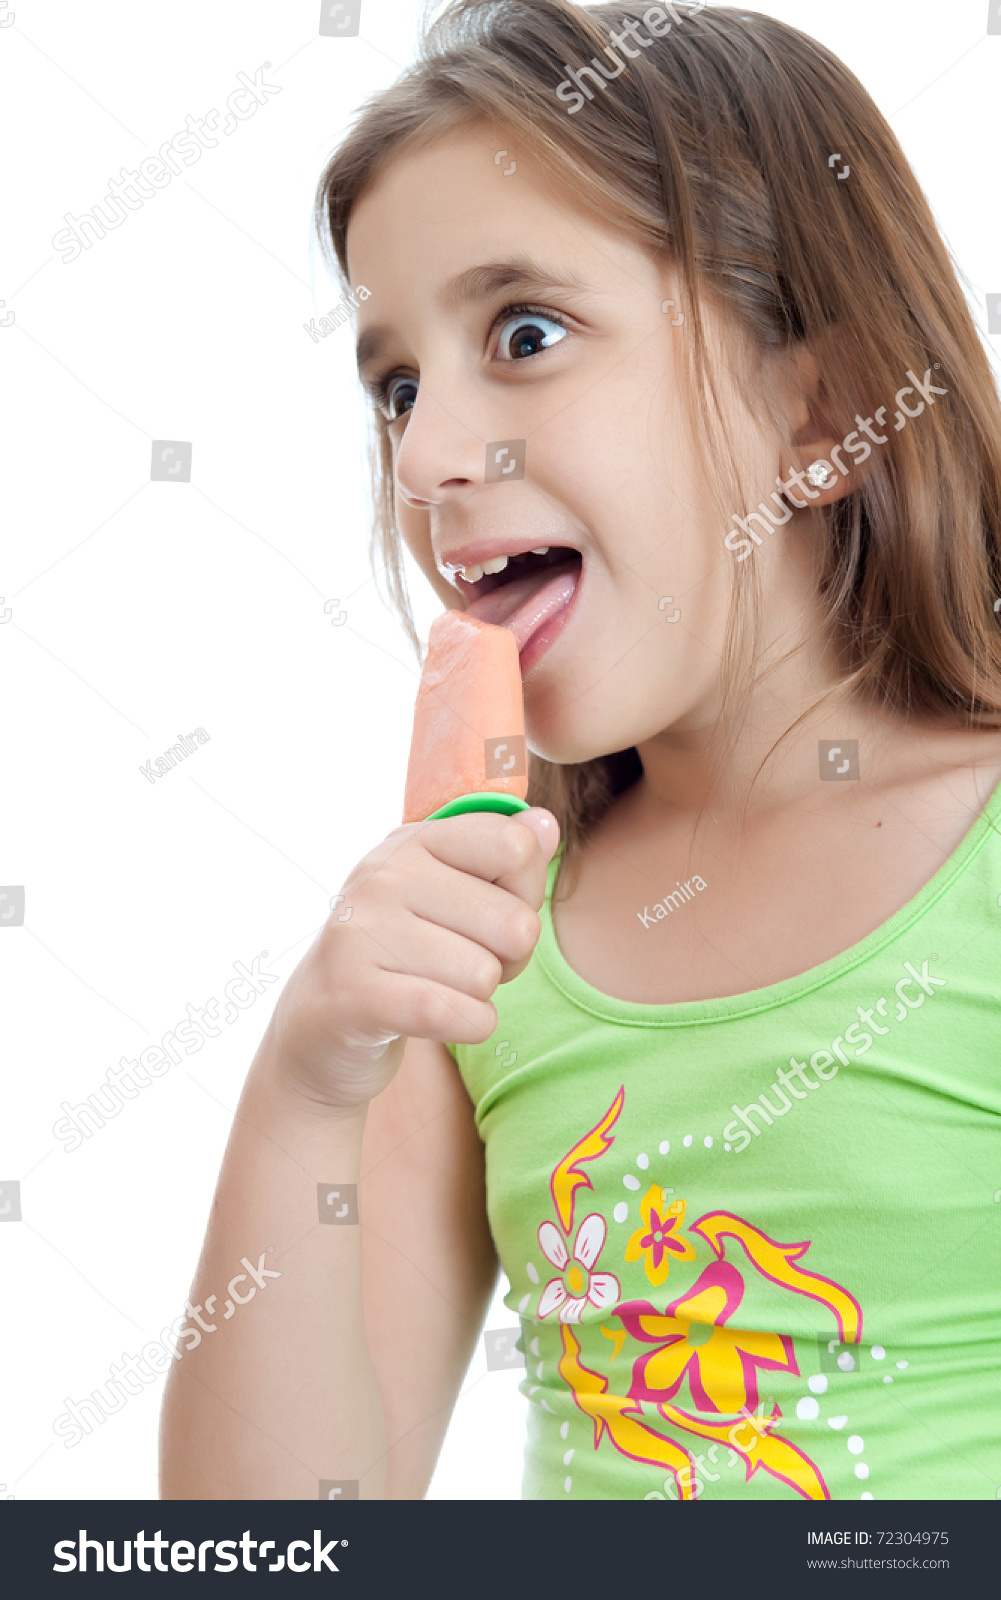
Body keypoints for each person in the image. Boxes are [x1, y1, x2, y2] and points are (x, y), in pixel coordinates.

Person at [160, 1, 1001, 1501]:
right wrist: (307, 1083)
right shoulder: (478, 949)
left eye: (525, 334)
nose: (421, 460)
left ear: (821, 409)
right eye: (397, 384)